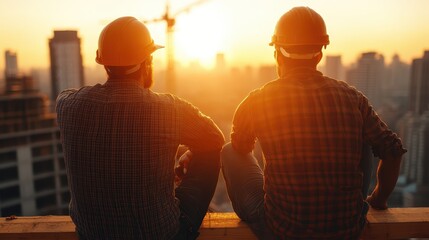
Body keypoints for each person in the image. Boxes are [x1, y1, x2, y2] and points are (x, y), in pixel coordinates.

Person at [220, 6, 407, 239]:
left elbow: (240, 148)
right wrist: (378, 199)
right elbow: (393, 151)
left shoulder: (257, 100)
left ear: (277, 53)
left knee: (229, 150)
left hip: (282, 229)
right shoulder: (352, 98)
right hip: (346, 228)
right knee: (364, 136)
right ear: (319, 54)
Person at [56, 16, 224, 240]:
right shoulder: (168, 109)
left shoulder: (69, 107)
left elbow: (63, 96)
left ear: (104, 64)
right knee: (211, 153)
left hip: (92, 235)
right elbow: (215, 139)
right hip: (161, 235)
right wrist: (190, 153)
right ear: (147, 62)